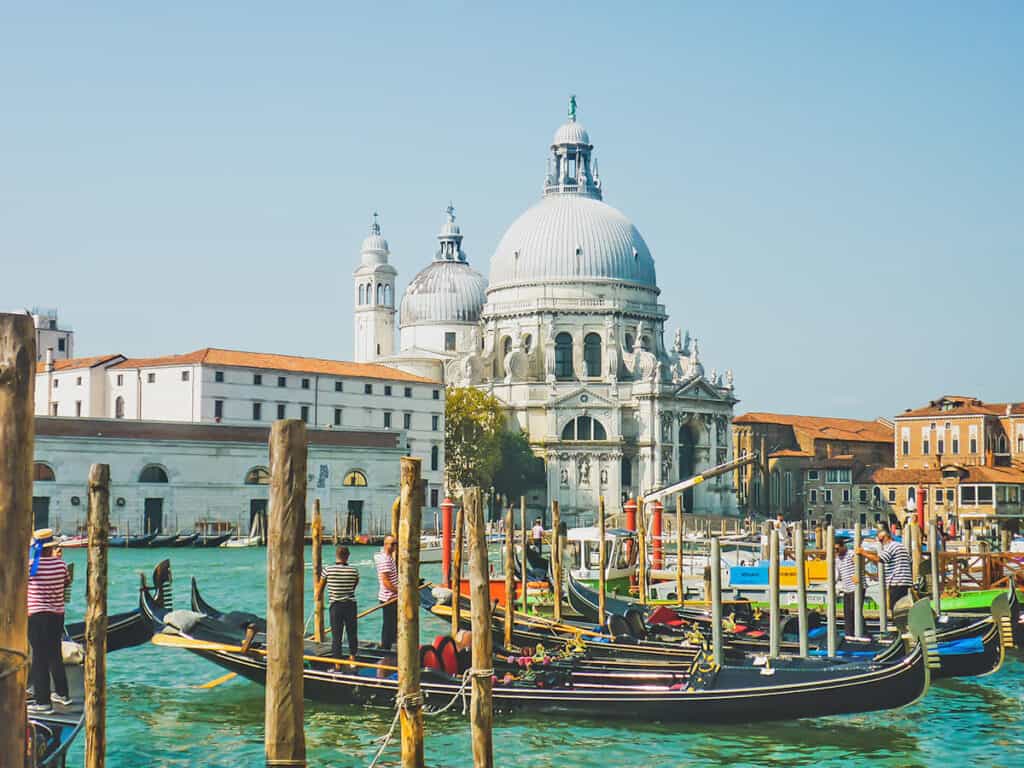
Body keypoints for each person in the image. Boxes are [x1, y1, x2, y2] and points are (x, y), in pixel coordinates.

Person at [27, 528, 71, 714]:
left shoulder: (30, 566)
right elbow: (66, 582)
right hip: (57, 615)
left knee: (39, 658)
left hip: (37, 615)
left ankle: (43, 702)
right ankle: (63, 694)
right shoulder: (60, 565)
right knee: (54, 653)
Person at [857, 522, 913, 612]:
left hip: (896, 582)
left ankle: (898, 625)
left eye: (881, 540)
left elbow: (880, 559)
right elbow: (910, 561)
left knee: (895, 608)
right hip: (905, 582)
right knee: (902, 608)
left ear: (886, 537)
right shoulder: (900, 546)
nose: (881, 543)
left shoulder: (891, 546)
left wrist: (863, 553)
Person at [318, 544, 359, 660]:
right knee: (352, 633)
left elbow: (320, 589)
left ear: (336, 555)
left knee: (336, 635)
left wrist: (318, 597)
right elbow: (354, 585)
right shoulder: (354, 571)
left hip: (336, 605)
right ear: (348, 556)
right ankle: (352, 658)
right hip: (350, 604)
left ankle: (337, 663)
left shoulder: (328, 570)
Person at [374, 535, 398, 650]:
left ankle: (389, 646)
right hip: (389, 597)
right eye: (392, 544)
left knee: (391, 624)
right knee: (389, 625)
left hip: (390, 596)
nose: (395, 546)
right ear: (385, 545)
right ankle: (386, 648)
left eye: (395, 544)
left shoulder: (387, 557)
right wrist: (399, 591)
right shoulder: (386, 560)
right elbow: (385, 581)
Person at [834, 536, 862, 639]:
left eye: (837, 549)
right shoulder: (837, 559)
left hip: (856, 587)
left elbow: (859, 563)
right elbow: (837, 575)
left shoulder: (850, 553)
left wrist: (856, 573)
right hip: (847, 588)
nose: (835, 551)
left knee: (855, 610)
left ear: (842, 546)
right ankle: (849, 634)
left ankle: (861, 633)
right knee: (847, 613)